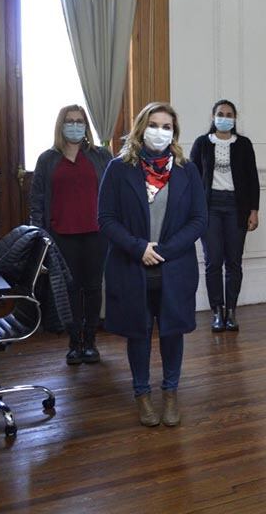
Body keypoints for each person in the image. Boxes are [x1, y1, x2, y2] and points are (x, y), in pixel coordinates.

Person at [98, 102, 206, 427]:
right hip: (132, 266)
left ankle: (170, 392)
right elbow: (106, 219)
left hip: (174, 266)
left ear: (174, 133)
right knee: (139, 332)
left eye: (167, 126)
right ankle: (142, 394)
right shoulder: (118, 168)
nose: (160, 131)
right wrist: (138, 248)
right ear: (141, 127)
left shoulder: (187, 170)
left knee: (173, 332)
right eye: (154, 124)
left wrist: (165, 250)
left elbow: (199, 220)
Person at [29, 104, 112, 365]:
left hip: (96, 233)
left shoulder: (101, 156)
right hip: (61, 234)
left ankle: (91, 341)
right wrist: (39, 235)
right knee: (70, 289)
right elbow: (37, 200)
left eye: (79, 121)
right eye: (69, 120)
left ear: (86, 126)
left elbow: (113, 193)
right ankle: (74, 342)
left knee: (92, 287)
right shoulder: (47, 159)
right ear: (60, 125)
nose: (75, 125)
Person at [190, 100, 261, 332]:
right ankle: (217, 312)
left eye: (229, 114)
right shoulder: (202, 143)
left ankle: (231, 311)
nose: (224, 117)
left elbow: (252, 179)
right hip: (209, 208)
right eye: (220, 114)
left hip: (236, 207)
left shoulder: (244, 144)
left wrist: (254, 210)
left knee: (233, 262)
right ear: (213, 117)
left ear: (235, 118)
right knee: (213, 262)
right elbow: (192, 179)